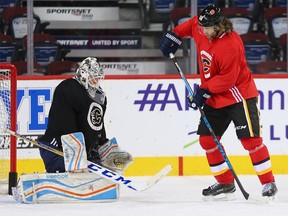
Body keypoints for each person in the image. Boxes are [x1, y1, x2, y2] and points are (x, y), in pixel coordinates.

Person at [159, 4, 278, 200]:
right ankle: (225, 182)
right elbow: (190, 25)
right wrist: (174, 36)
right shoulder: (202, 26)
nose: (203, 31)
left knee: (251, 141)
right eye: (202, 27)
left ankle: (268, 183)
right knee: (207, 140)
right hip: (216, 95)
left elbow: (228, 79)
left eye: (208, 28)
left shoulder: (231, 44)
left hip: (238, 95)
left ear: (220, 26)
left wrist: (203, 91)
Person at [38, 57, 133, 173]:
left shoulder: (99, 95)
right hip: (57, 149)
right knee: (70, 168)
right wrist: (75, 152)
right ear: (84, 75)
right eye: (94, 76)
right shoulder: (68, 88)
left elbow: (97, 125)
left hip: (84, 154)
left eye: (98, 77)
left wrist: (104, 148)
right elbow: (62, 123)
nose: (97, 80)